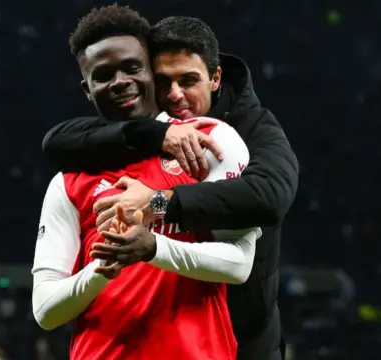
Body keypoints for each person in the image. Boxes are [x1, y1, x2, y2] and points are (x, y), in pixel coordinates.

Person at [41, 15, 298, 360]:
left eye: (188, 80)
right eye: (164, 81)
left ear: (215, 78)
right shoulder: (89, 170)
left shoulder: (241, 131)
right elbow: (55, 142)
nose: (176, 95)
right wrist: (158, 134)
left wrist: (158, 205)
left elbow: (268, 198)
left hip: (247, 336)